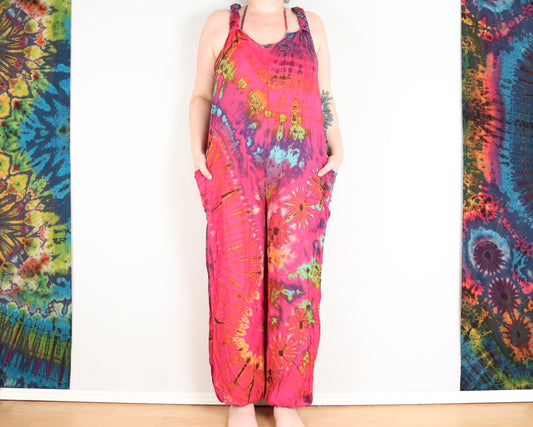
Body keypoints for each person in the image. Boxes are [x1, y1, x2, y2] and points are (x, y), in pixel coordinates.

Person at [189, 0, 343, 426]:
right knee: (234, 281)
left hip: (301, 172)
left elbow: (324, 94)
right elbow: (201, 94)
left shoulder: (311, 26)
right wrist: (197, 150)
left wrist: (338, 146)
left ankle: (285, 402)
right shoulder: (222, 25)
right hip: (233, 171)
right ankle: (239, 401)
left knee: (295, 284)